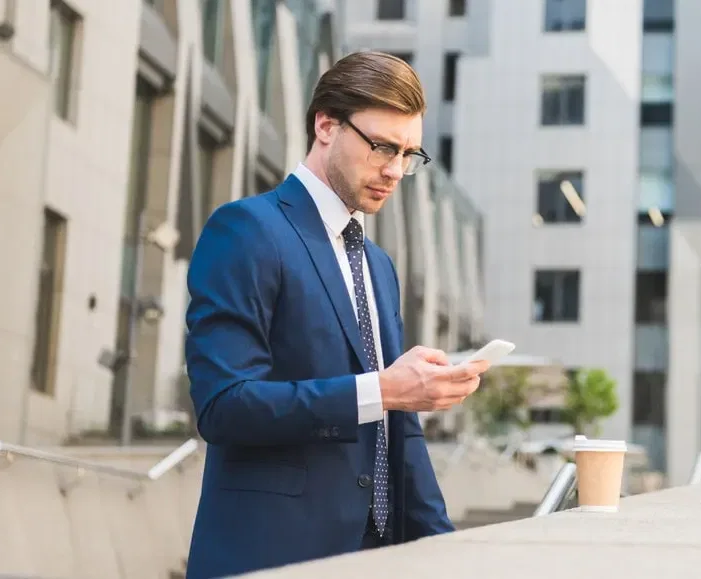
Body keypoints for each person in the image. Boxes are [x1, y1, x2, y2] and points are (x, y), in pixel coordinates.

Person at [183, 51, 490, 579]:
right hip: (273, 557)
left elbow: (401, 435)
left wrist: (447, 552)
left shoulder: (379, 265)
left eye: (409, 154)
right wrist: (382, 390)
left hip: (375, 557)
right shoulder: (247, 231)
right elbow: (224, 406)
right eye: (382, 147)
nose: (395, 170)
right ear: (326, 125)